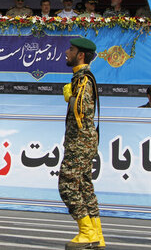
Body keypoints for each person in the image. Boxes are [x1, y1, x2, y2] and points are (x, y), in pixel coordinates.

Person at [60, 37, 104, 249]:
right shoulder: (81, 78)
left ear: (81, 55)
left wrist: (70, 97)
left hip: (80, 142)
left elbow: (82, 111)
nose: (67, 52)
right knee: (85, 186)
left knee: (67, 185)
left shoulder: (83, 80)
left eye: (71, 49)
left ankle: (86, 232)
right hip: (85, 141)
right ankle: (96, 234)